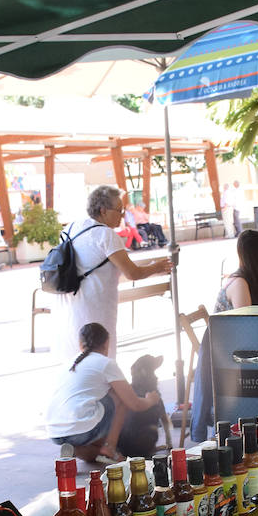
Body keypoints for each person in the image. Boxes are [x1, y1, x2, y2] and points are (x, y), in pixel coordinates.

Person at [55, 185, 172, 364]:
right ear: (103, 210)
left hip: (69, 309)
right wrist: (157, 267)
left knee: (76, 365)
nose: (123, 215)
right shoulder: (106, 235)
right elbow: (132, 273)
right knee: (100, 364)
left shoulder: (72, 228)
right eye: (119, 210)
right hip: (95, 311)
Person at [190, 230, 258, 441]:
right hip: (223, 354)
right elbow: (246, 329)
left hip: (230, 349)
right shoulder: (239, 283)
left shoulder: (248, 281)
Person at [46, 322, 161, 464]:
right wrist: (151, 400)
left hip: (55, 431)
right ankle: (109, 448)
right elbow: (134, 404)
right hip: (81, 430)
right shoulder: (106, 363)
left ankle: (75, 450)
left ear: (80, 344)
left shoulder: (69, 363)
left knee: (92, 453)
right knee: (120, 397)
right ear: (106, 343)